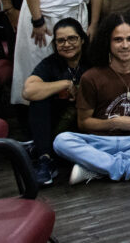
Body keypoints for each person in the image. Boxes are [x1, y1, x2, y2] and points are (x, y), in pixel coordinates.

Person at [53, 14, 130, 184]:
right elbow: (83, 123)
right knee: (62, 141)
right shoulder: (91, 77)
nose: (125, 45)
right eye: (118, 40)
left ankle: (97, 168)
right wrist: (115, 123)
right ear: (108, 43)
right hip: (100, 142)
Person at [22, 18, 89, 185]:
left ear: (82, 39)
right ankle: (45, 159)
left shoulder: (93, 60)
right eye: (61, 40)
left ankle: (37, 148)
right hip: (58, 123)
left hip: (88, 121)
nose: (67, 44)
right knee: (39, 100)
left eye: (72, 38)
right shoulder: (51, 63)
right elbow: (28, 91)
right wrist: (65, 84)